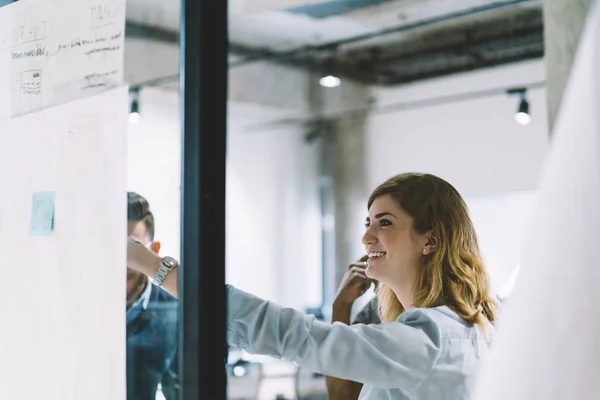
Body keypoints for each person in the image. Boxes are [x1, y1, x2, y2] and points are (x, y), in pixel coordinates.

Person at [127, 173, 498, 399]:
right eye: (368, 221)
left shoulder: (431, 339)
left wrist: (150, 264)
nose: (366, 236)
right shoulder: (455, 331)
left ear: (429, 240)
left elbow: (295, 335)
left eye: (384, 223)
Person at [126, 192, 179, 400]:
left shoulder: (174, 316)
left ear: (153, 251)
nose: (122, 261)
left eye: (133, 249)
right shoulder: (80, 308)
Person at [325, 255, 381, 400]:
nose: (366, 238)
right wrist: (341, 305)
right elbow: (341, 396)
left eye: (386, 230)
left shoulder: (436, 312)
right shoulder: (373, 312)